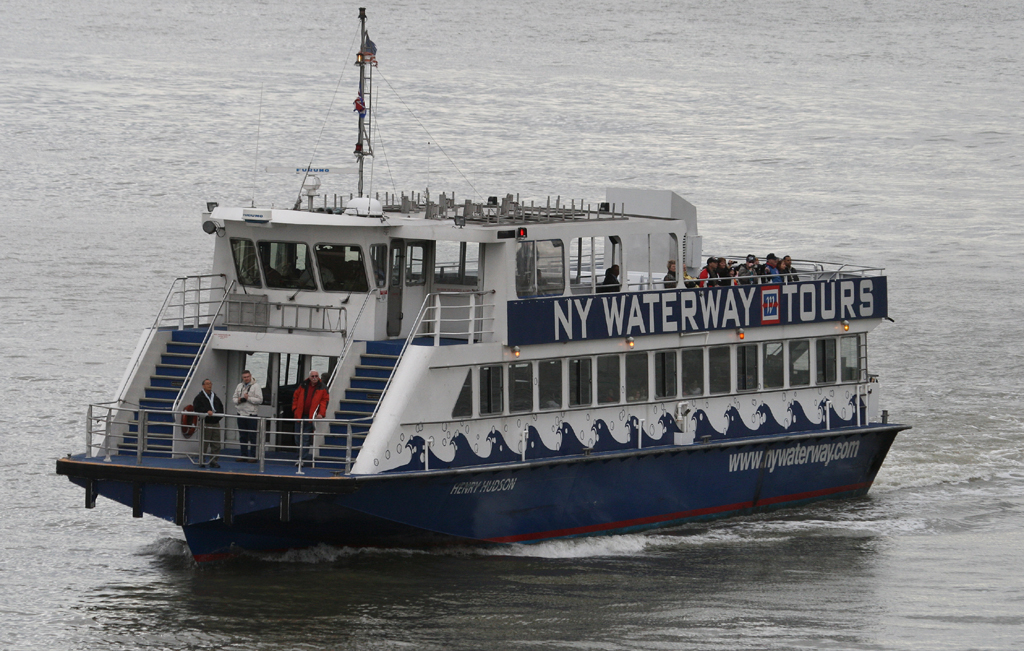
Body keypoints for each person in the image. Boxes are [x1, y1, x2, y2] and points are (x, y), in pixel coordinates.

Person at [291, 370, 329, 459]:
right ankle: (299, 455)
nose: (315, 378)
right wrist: (295, 409)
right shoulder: (303, 385)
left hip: (310, 417)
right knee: (297, 437)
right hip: (299, 416)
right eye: (313, 376)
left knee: (306, 438)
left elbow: (324, 402)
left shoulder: (322, 387)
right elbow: (295, 397)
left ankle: (301, 458)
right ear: (309, 377)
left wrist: (321, 414)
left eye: (316, 376)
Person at [232, 370, 263, 462]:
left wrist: (248, 398)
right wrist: (238, 400)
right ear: (242, 378)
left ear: (250, 376)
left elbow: (260, 400)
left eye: (247, 377)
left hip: (251, 414)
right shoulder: (239, 386)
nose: (246, 378)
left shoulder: (256, 386)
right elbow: (233, 398)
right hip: (241, 414)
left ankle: (253, 456)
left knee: (253, 436)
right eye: (244, 377)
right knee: (242, 436)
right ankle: (243, 455)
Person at [192, 379, 224, 468]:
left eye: (210, 383)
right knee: (204, 443)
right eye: (207, 384)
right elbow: (196, 409)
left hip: (215, 422)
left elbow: (221, 408)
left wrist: (218, 416)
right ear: (203, 386)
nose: (209, 385)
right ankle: (202, 460)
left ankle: (214, 461)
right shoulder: (199, 397)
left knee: (216, 443)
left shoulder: (215, 397)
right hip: (206, 422)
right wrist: (206, 412)